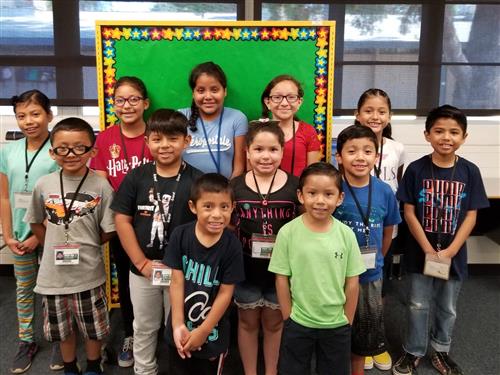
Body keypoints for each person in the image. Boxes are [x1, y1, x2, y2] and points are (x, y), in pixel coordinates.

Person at [392, 105, 489, 375]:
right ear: (427, 134)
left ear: (464, 137)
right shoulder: (415, 169)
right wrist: (427, 249)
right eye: (439, 131)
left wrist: (450, 251)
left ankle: (441, 351)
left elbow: (471, 215)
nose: (446, 137)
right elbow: (409, 212)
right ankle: (413, 351)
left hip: (453, 255)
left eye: (454, 132)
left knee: (447, 307)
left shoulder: (470, 171)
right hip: (419, 252)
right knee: (417, 304)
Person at [111, 109, 203, 375]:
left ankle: (177, 369)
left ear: (186, 141)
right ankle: (145, 370)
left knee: (179, 324)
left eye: (173, 139)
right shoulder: (136, 177)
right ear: (147, 141)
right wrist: (141, 262)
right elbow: (122, 221)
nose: (165, 145)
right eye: (157, 139)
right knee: (144, 325)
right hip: (143, 269)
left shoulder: (197, 180)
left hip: (182, 271)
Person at [24, 117, 116, 375]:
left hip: (89, 274)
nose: (71, 154)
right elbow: (35, 222)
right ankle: (68, 366)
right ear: (52, 152)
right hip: (52, 276)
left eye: (79, 147)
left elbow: (109, 228)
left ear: (93, 151)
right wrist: (51, 244)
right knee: (61, 328)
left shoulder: (101, 186)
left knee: (93, 326)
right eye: (63, 148)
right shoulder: (43, 184)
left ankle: (93, 365)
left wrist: (89, 245)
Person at [268, 162, 366, 375]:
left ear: (339, 198)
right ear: (301, 196)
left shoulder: (346, 235)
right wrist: (288, 316)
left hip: (336, 324)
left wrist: (347, 320)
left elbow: (352, 281)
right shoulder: (288, 233)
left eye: (328, 194)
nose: (320, 201)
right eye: (312, 193)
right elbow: (281, 278)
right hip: (298, 322)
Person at [90, 76, 153, 367]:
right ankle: (130, 333)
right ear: (113, 104)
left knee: (164, 279)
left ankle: (161, 335)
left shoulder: (156, 134)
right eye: (120, 100)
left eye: (133, 99)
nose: (127, 106)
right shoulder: (104, 139)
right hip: (121, 225)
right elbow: (103, 186)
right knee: (129, 283)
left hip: (157, 222)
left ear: (145, 103)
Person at [0, 90, 63, 374]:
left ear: (49, 116)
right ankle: (26, 340)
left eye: (35, 114)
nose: (28, 121)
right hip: (18, 236)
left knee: (56, 289)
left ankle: (60, 339)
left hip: (53, 234)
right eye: (21, 116)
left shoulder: (59, 149)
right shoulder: (8, 151)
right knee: (24, 289)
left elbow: (64, 198)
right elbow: (4, 197)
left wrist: (38, 236)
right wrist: (9, 235)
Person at [231, 120, 300, 375]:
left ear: (283, 151)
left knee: (274, 324)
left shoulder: (296, 187)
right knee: (247, 323)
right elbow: (227, 228)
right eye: (258, 149)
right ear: (247, 151)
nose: (266, 156)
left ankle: (271, 371)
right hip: (245, 270)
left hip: (281, 274)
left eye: (273, 149)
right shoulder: (235, 187)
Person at [333, 125, 401, 375]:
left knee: (364, 330)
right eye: (351, 151)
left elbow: (387, 231)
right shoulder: (333, 188)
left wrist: (377, 259)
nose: (360, 157)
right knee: (337, 328)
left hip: (370, 274)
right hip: (334, 274)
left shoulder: (384, 191)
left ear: (376, 156)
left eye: (367, 151)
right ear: (339, 156)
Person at [164, 173, 245, 375]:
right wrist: (177, 324)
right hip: (179, 331)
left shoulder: (232, 245)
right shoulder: (180, 235)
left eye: (224, 207)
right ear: (193, 207)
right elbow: (175, 280)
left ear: (233, 207)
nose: (217, 214)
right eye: (208, 206)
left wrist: (203, 331)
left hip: (213, 335)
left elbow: (226, 293)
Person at [354, 88, 406, 371]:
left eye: (381, 111)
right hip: (353, 231)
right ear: (357, 115)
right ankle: (355, 341)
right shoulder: (346, 144)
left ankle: (375, 341)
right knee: (351, 289)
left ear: (389, 116)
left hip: (384, 230)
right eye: (369, 110)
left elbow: (395, 184)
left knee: (377, 290)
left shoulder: (396, 148)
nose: (375, 116)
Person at [180, 61, 248, 179]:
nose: (208, 97)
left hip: (223, 191)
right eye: (201, 91)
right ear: (193, 93)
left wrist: (227, 192)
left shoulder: (237, 118)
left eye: (214, 90)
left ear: (225, 91)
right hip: (186, 191)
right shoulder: (181, 117)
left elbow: (239, 167)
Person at [261, 74, 321, 177]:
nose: (284, 103)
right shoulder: (258, 132)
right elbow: (250, 172)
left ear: (299, 102)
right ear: (267, 102)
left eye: (291, 97)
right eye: (277, 97)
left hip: (297, 191)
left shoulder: (308, 131)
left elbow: (312, 175)